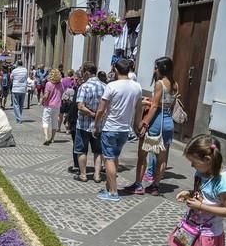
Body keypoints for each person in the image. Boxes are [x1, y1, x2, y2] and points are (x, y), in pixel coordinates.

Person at [124, 56, 178, 196]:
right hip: (168, 122)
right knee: (162, 157)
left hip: (156, 121)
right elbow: (166, 104)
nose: (154, 69)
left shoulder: (160, 83)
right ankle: (155, 186)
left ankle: (138, 185)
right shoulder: (175, 84)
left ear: (162, 68)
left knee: (143, 155)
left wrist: (144, 122)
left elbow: (154, 107)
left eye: (156, 67)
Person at [93, 58, 143, 201]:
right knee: (114, 157)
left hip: (110, 127)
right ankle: (110, 186)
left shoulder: (112, 86)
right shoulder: (137, 87)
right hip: (124, 129)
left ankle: (113, 192)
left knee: (108, 159)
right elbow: (139, 109)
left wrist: (96, 125)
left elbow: (101, 109)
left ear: (115, 69)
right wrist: (136, 125)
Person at [73, 62, 105, 182]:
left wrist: (92, 114)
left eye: (82, 71)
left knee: (82, 150)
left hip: (83, 124)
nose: (81, 73)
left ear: (86, 72)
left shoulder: (84, 87)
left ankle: (83, 174)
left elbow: (80, 106)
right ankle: (97, 175)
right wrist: (98, 116)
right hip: (99, 125)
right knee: (98, 151)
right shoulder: (104, 86)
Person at [41, 69, 64, 145]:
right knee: (54, 121)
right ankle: (53, 138)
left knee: (45, 121)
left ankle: (46, 137)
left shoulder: (48, 84)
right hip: (57, 105)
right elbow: (61, 93)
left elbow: (46, 95)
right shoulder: (60, 84)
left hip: (49, 105)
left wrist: (43, 100)